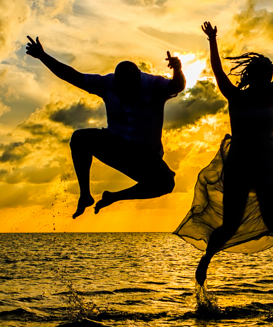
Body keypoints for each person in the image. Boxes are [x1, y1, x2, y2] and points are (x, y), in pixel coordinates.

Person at [175, 16, 273, 285]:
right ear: (253, 75)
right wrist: (212, 40)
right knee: (230, 223)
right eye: (264, 72)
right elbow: (218, 70)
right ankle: (206, 261)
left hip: (266, 162)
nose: (268, 75)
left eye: (269, 72)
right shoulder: (235, 96)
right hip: (240, 163)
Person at [25, 36, 185, 218]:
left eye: (128, 90)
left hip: (144, 157)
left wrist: (178, 69)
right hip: (115, 146)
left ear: (137, 83)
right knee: (80, 138)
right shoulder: (107, 84)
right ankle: (85, 194)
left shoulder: (153, 86)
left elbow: (177, 86)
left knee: (166, 184)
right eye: (120, 88)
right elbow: (72, 76)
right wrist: (42, 56)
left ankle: (114, 197)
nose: (123, 94)